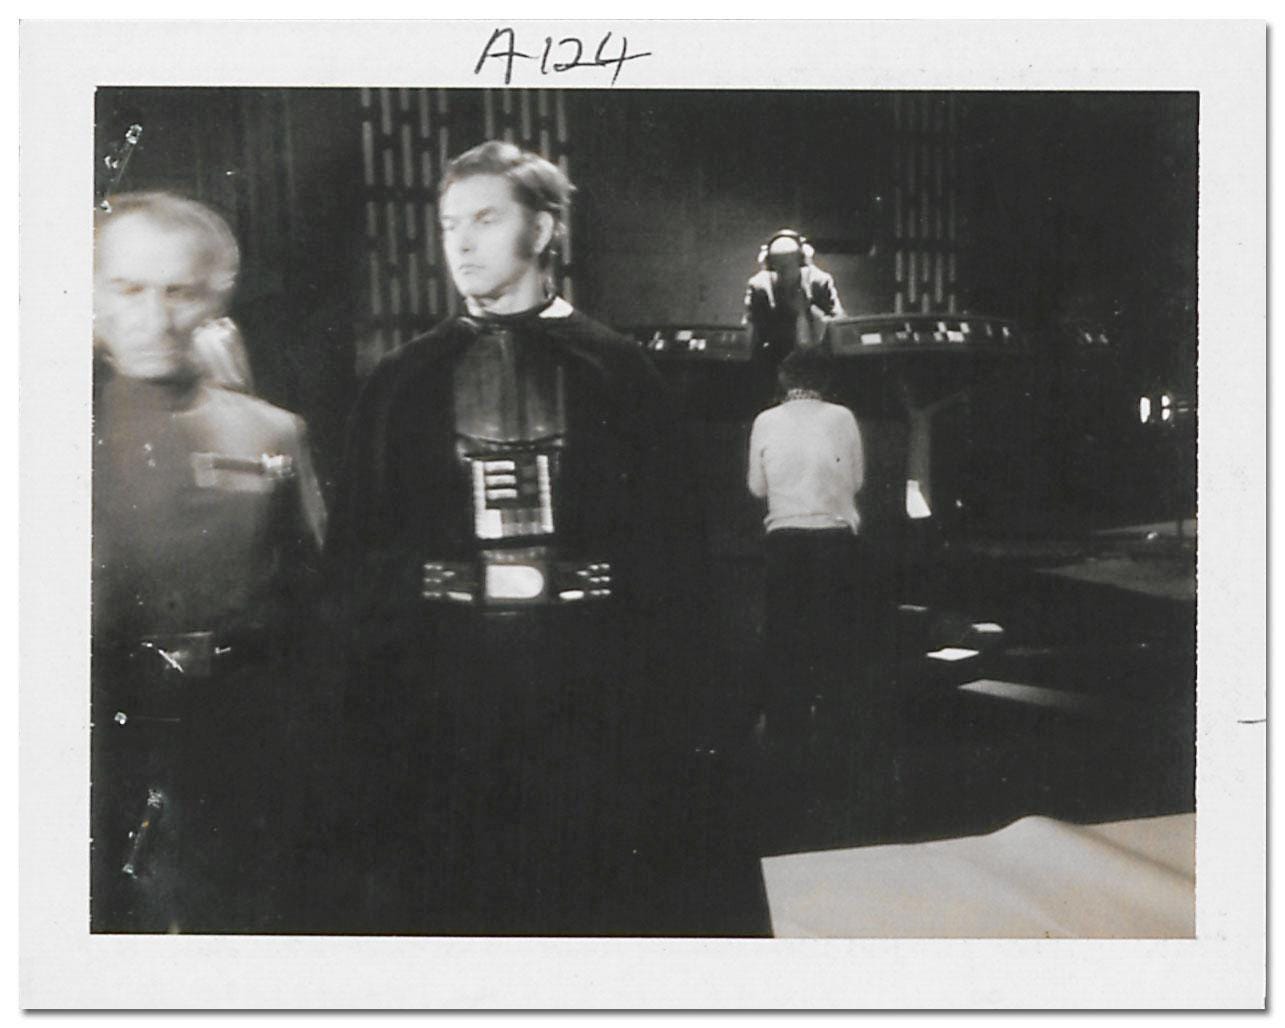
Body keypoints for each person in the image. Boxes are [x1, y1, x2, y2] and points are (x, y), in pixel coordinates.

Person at [321, 140, 767, 936]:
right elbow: (359, 556)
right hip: (448, 697)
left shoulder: (619, 372)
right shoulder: (401, 381)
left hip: (593, 695)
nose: (460, 242)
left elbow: (673, 556)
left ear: (543, 229)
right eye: (449, 223)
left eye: (485, 219)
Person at [90, 191, 325, 933]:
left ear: (216, 302)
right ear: (91, 295)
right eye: (128, 289)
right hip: (90, 743)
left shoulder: (272, 433)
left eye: (179, 292)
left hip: (237, 743)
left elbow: (316, 605)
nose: (154, 318)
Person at [747, 350, 865, 767]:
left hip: (785, 538)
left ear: (783, 378)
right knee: (833, 634)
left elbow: (757, 487)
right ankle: (835, 727)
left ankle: (784, 727)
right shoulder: (843, 417)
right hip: (834, 537)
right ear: (826, 381)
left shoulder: (765, 420)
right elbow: (856, 480)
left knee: (784, 635)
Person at [743, 229, 845, 393]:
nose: (784, 272)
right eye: (778, 266)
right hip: (775, 357)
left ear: (801, 261)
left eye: (788, 265)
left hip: (814, 357)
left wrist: (807, 310)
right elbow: (750, 328)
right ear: (770, 264)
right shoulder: (758, 285)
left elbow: (840, 324)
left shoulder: (819, 281)